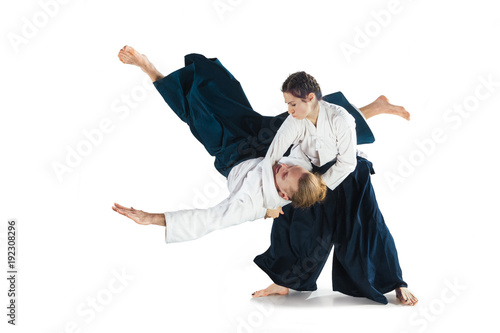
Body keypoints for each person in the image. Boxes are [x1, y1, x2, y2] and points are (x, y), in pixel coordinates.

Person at [112, 46, 416, 304]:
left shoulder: (250, 201)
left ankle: (149, 69)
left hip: (230, 150)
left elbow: (207, 219)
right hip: (265, 140)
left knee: (197, 113)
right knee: (295, 114)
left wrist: (151, 218)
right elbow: (310, 145)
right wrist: (288, 169)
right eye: (291, 167)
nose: (283, 167)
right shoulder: (297, 166)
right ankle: (376, 107)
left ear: (283, 193)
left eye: (284, 174)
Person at [252, 71, 418, 305]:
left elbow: (347, 163)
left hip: (349, 174)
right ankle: (284, 281)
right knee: (290, 214)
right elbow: (272, 157)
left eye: (292, 103)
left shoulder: (341, 118)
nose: (289, 109)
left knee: (367, 225)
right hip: (313, 174)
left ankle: (395, 283)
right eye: (287, 104)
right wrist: (272, 201)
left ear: (310, 98)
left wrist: (318, 187)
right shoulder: (294, 121)